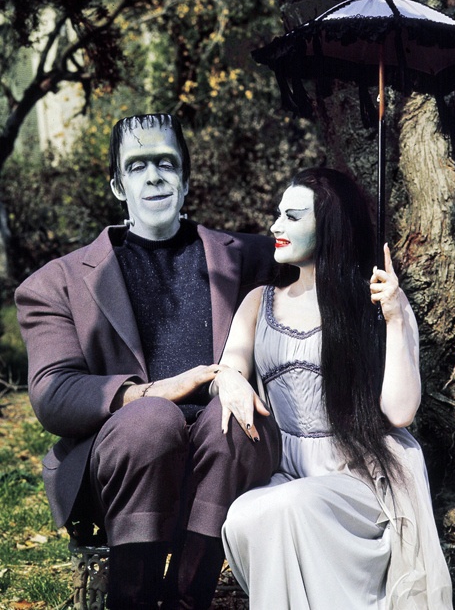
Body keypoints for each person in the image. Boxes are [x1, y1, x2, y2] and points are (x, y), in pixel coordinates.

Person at [15, 113, 283, 610]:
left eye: (166, 163)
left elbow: (330, 256)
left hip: (221, 460)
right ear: (118, 185)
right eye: (138, 167)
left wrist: (384, 296)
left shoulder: (246, 257)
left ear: (185, 178)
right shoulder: (58, 282)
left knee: (232, 423)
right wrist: (148, 393)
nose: (154, 176)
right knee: (151, 422)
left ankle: (187, 600)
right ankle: (131, 600)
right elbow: (53, 393)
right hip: (122, 468)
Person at [211, 168, 453, 609]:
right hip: (283, 469)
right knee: (246, 514)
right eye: (278, 214)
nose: (275, 227)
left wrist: (397, 318)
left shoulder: (375, 304)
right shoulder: (257, 302)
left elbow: (400, 413)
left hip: (357, 476)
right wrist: (228, 378)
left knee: (288, 507)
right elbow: (228, 368)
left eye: (293, 216)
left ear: (331, 227)